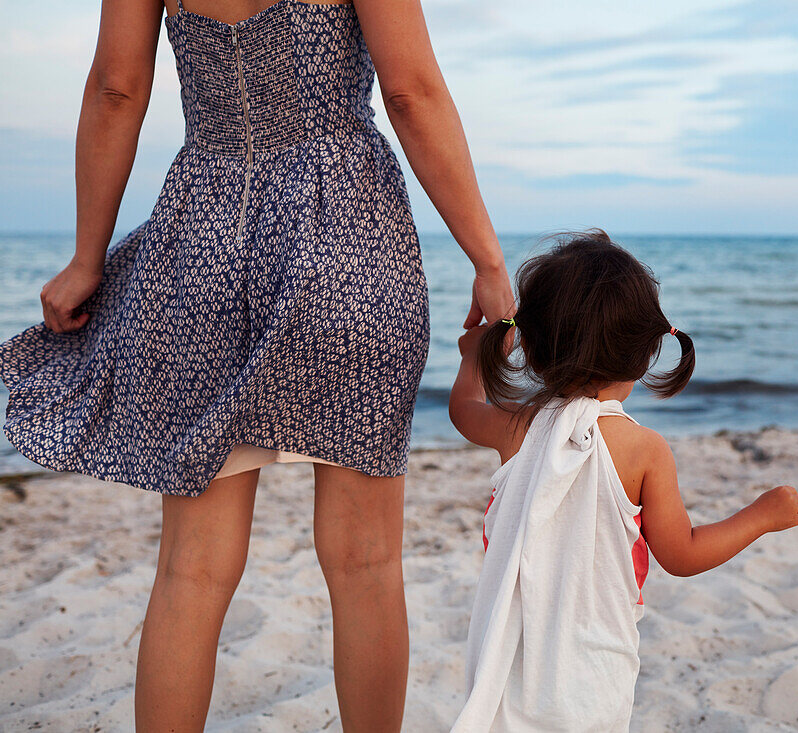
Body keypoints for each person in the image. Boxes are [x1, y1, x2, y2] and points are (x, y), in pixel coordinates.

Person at [0, 0, 513, 730]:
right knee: (365, 563)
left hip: (202, 239)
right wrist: (487, 259)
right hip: (346, 236)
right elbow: (411, 91)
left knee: (192, 568)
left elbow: (117, 87)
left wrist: (88, 256)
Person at [447, 230, 798, 730]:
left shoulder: (519, 426)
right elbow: (681, 555)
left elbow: (463, 409)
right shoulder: (645, 450)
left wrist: (473, 356)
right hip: (595, 667)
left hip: (512, 658)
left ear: (529, 348)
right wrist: (760, 517)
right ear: (644, 353)